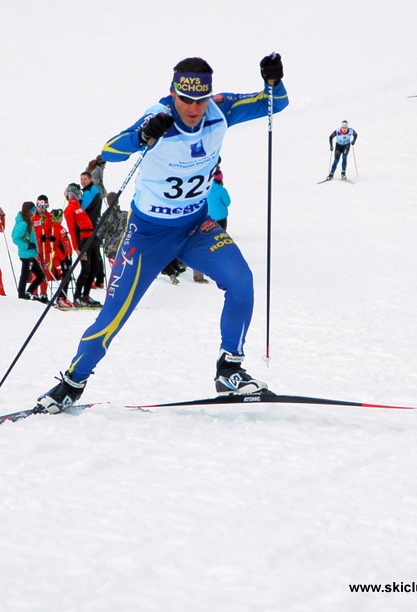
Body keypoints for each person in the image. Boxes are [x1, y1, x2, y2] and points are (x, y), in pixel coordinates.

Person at [36, 53, 289, 414]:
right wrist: (143, 135)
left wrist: (272, 81)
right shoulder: (159, 117)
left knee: (241, 280)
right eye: (186, 99)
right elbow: (110, 150)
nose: (194, 108)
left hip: (195, 227)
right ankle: (72, 383)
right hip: (148, 236)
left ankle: (229, 369)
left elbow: (274, 103)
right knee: (114, 315)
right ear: (173, 93)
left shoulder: (220, 110)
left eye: (200, 100)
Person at [63, 182, 102, 307]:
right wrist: (76, 248)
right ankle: (78, 296)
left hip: (92, 238)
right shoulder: (70, 209)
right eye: (78, 192)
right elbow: (72, 230)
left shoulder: (78, 206)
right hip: (83, 241)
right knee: (86, 269)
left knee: (95, 267)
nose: (80, 194)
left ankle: (86, 295)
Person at [11, 201, 47, 301]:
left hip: (30, 253)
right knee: (26, 275)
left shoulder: (26, 221)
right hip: (26, 254)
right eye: (34, 210)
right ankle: (21, 296)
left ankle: (26, 293)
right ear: (31, 211)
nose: (35, 212)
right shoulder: (23, 223)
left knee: (39, 275)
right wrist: (27, 245)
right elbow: (15, 238)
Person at [80, 171, 104, 288]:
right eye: (81, 179)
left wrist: (71, 198)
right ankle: (99, 280)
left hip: (90, 229)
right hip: (94, 227)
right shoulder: (91, 190)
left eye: (85, 179)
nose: (83, 182)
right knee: (96, 255)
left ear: (90, 179)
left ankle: (91, 281)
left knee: (89, 257)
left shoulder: (91, 191)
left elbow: (83, 209)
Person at [32, 195, 55, 300]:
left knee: (45, 271)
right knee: (36, 271)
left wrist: (51, 237)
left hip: (46, 249)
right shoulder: (33, 217)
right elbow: (29, 233)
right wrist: (38, 239)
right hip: (36, 249)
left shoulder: (48, 216)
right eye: (41, 207)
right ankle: (34, 293)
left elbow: (51, 230)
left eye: (45, 207)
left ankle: (43, 294)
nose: (43, 209)